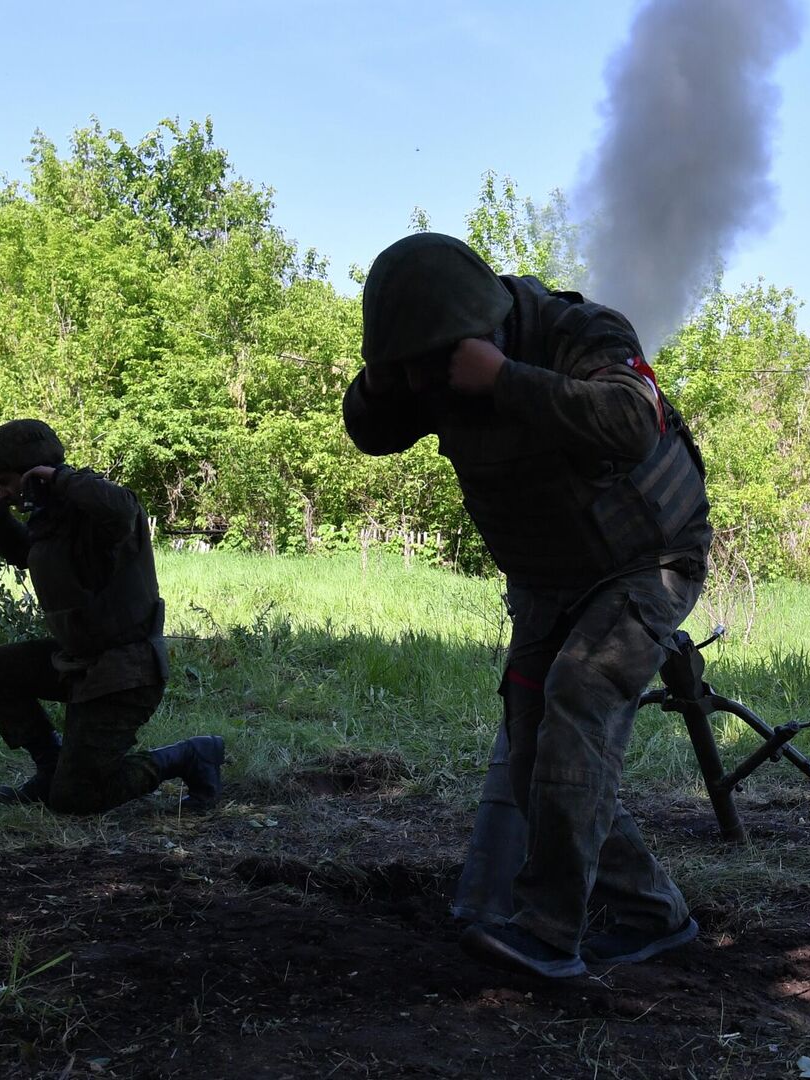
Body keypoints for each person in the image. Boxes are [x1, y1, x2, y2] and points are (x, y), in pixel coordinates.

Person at [343, 233, 711, 979]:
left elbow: (632, 421)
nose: (423, 380)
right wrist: (382, 384)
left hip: (647, 560)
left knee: (581, 694)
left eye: (428, 363)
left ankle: (546, 931)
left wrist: (506, 380)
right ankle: (649, 913)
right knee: (531, 756)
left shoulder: (578, 331)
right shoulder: (433, 360)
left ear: (478, 328)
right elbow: (369, 432)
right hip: (549, 579)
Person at [0, 418, 225, 815]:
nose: (0, 489)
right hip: (79, 661)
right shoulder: (50, 516)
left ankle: (189, 756)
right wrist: (0, 517)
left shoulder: (95, 508)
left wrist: (62, 479)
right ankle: (50, 767)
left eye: (5, 480)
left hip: (125, 674)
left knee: (75, 799)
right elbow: (28, 556)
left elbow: (125, 509)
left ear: (35, 475)